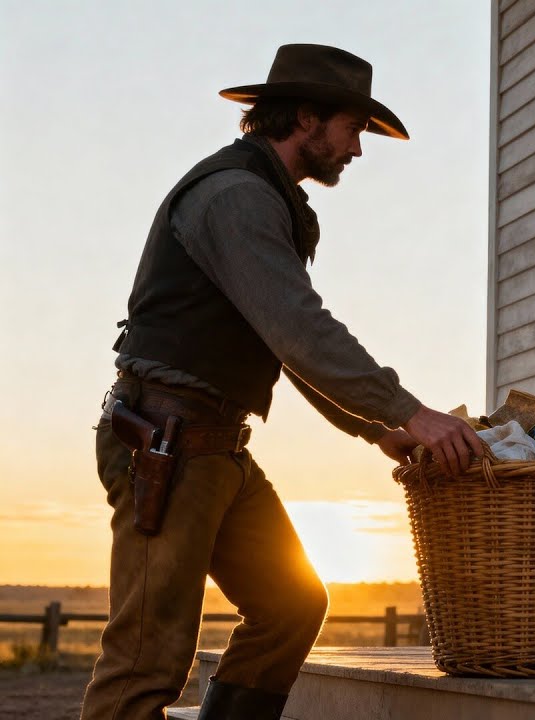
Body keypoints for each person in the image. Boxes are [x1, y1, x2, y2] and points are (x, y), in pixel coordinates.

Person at [81, 44, 486, 720]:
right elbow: (299, 328)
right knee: (146, 661)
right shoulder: (236, 196)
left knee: (290, 605)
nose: (357, 149)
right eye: (353, 128)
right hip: (168, 442)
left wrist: (374, 428)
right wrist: (411, 413)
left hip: (215, 446)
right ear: (305, 118)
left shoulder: (268, 198)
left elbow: (279, 339)